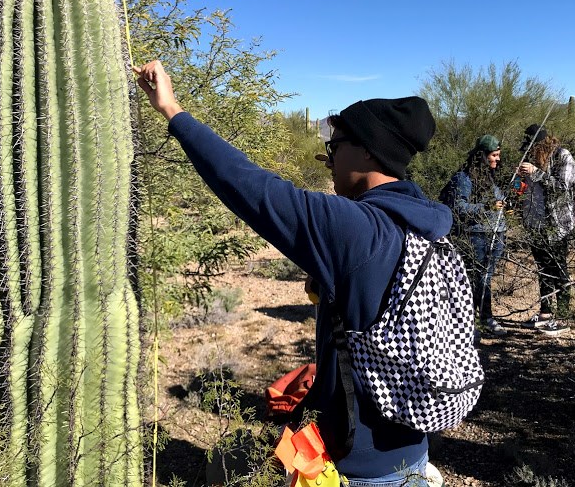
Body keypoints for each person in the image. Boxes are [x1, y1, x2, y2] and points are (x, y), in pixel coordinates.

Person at [134, 60, 451, 485]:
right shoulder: (421, 226)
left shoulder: (357, 230)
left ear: (369, 151)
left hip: (356, 469)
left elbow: (255, 190)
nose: (328, 157)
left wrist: (173, 111)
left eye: (336, 146)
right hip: (409, 453)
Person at [439, 135, 508, 336]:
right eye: (494, 155)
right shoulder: (464, 178)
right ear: (482, 156)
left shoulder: (493, 176)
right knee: (470, 279)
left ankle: (486, 319)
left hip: (496, 233)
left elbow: (499, 200)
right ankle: (468, 324)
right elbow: (457, 207)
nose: (497, 159)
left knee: (486, 279)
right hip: (475, 235)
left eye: (498, 155)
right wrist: (486, 207)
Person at [516, 124, 575, 336]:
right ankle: (545, 313)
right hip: (535, 224)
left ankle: (563, 316)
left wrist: (536, 173)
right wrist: (522, 177)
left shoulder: (562, 156)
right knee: (542, 268)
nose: (530, 152)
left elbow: (563, 187)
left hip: (557, 224)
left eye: (532, 147)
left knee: (558, 268)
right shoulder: (534, 160)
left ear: (541, 144)